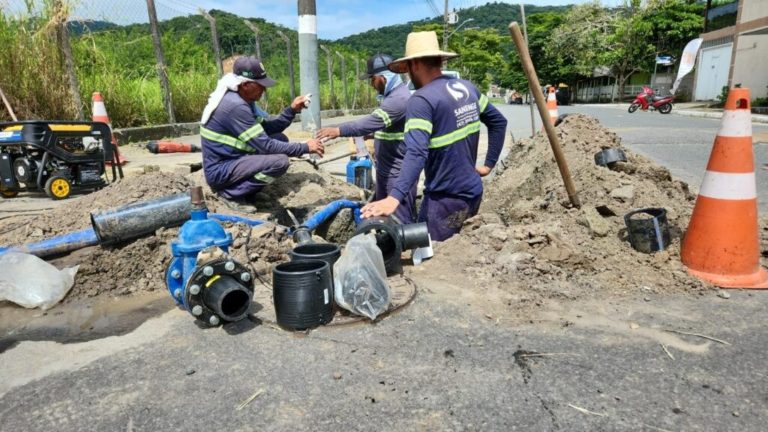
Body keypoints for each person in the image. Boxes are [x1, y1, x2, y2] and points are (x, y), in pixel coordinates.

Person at [361, 31, 508, 241]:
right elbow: (498, 122)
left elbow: (416, 152)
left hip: (445, 200)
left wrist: (394, 198)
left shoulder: (421, 100)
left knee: (429, 255)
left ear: (415, 64)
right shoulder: (467, 87)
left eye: (409, 67)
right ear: (439, 60)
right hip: (473, 191)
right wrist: (488, 165)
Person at [200, 56, 324, 203]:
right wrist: (304, 147)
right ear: (245, 84)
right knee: (280, 162)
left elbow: (268, 128)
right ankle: (231, 194)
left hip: (232, 158)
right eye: (260, 85)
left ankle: (249, 190)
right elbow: (265, 146)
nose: (264, 89)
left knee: (280, 138)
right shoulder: (235, 106)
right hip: (221, 170)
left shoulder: (243, 100)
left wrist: (292, 110)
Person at [315, 53, 417, 223]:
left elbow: (369, 123)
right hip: (387, 171)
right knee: (384, 221)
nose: (371, 84)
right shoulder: (392, 97)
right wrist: (373, 135)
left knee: (400, 222)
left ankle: (405, 249)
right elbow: (388, 129)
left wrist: (337, 130)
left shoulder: (398, 100)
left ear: (383, 78)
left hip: (397, 174)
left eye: (372, 79)